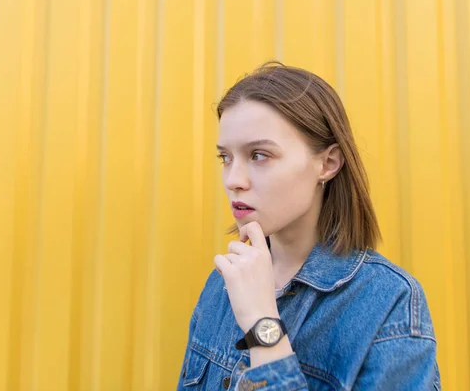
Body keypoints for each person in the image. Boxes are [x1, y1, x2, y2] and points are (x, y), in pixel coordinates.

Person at [176, 62, 441, 390]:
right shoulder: (224, 283)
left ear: (327, 163)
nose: (233, 180)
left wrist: (263, 325)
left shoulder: (387, 302)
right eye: (225, 158)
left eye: (259, 155)